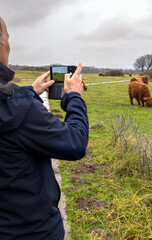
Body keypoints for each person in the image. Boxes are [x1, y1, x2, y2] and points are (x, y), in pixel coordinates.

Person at [0, 16, 89, 239]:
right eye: (8, 38)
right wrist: (74, 98)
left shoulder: (14, 105)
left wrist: (30, 92)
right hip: (29, 230)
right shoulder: (18, 109)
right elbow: (75, 143)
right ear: (2, 44)